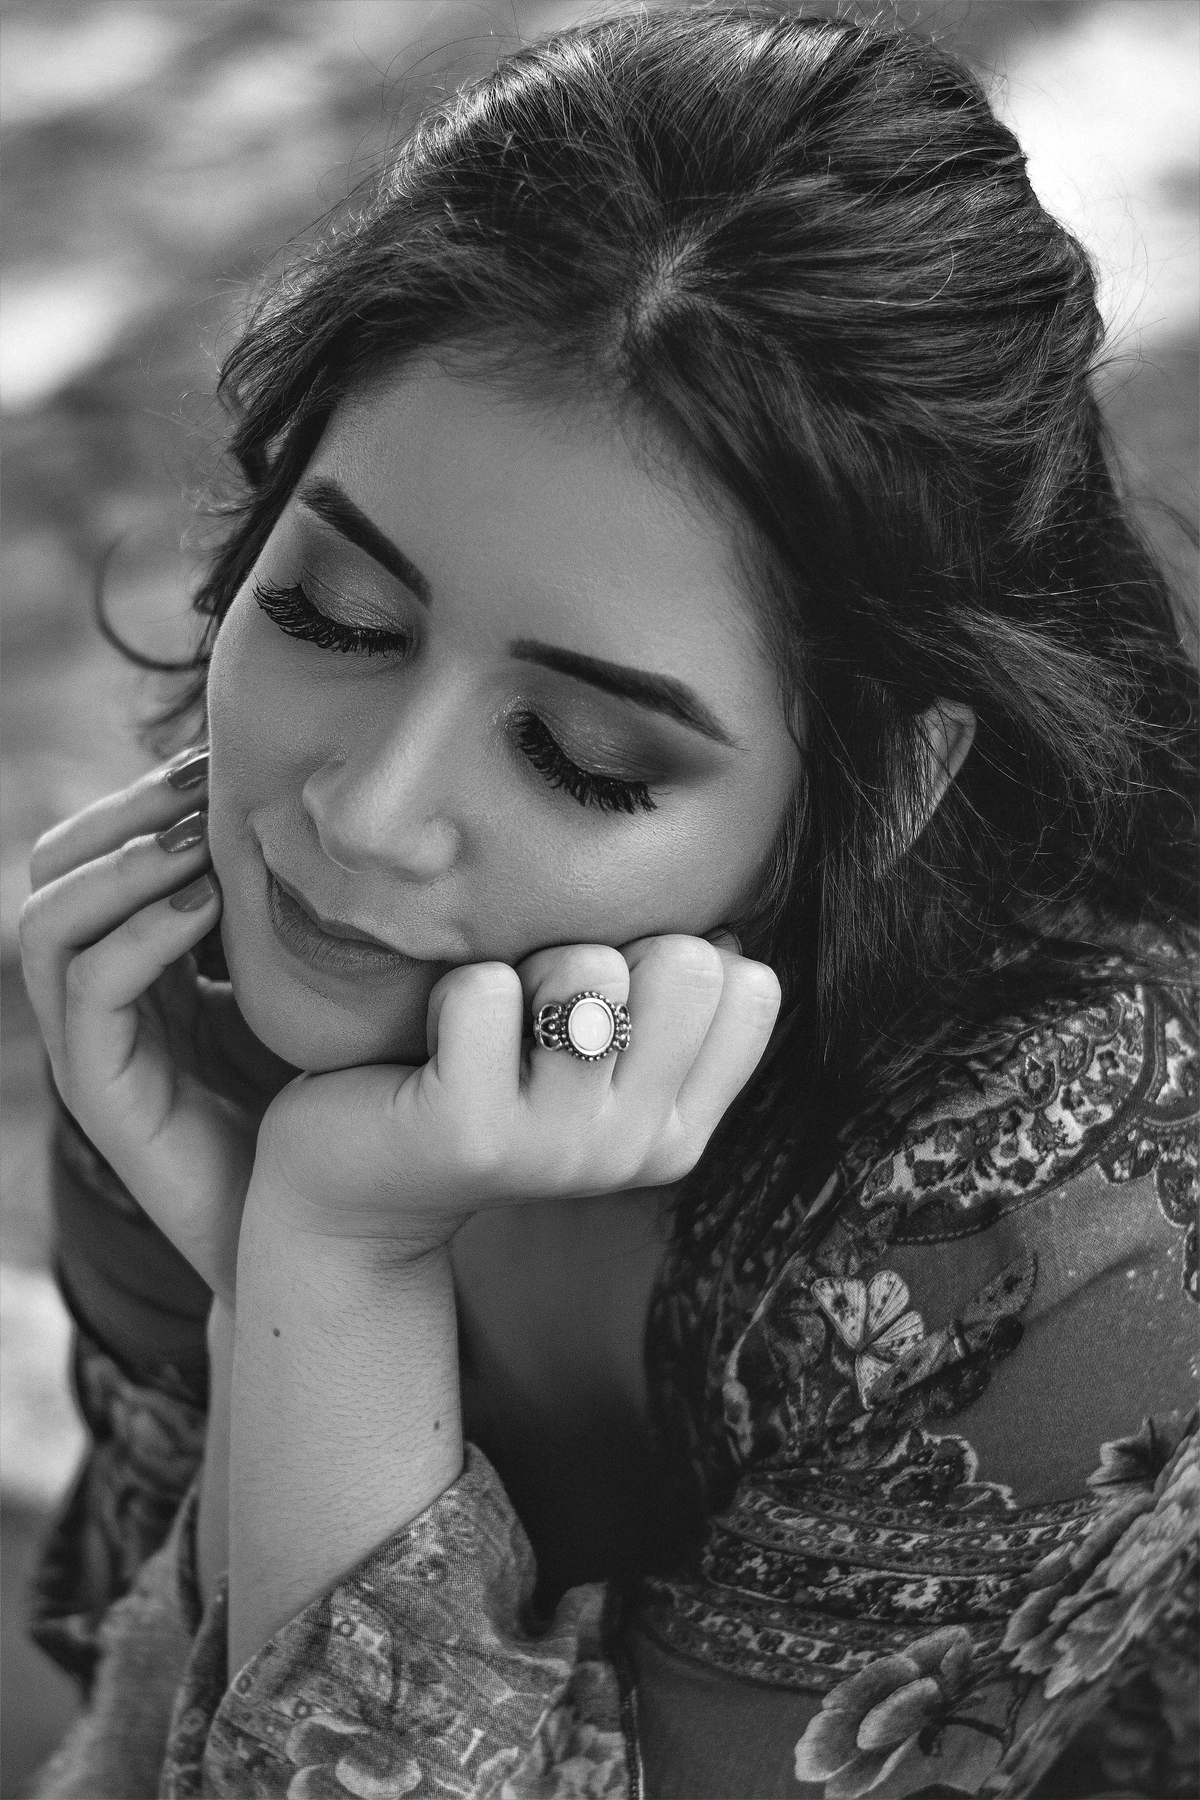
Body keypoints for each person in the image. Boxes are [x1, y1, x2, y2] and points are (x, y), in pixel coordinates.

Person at [17, 7, 1198, 1797]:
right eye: (334, 611)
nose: (360, 812)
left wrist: (328, 1268)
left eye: (578, 751)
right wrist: (261, 1290)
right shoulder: (199, 979)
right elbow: (136, 1700)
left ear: (882, 792)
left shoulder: (1067, 1225)